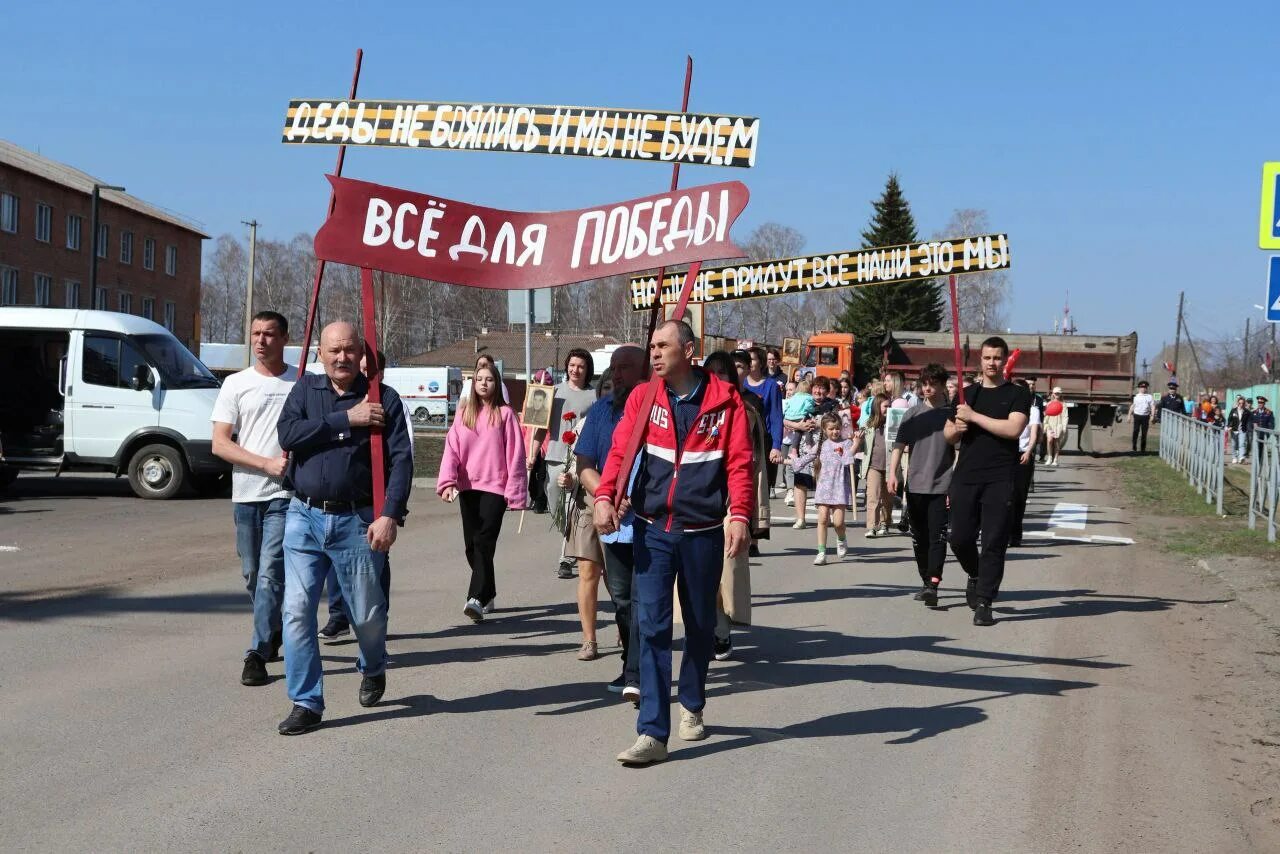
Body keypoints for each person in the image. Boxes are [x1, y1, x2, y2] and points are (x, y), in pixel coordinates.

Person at [594, 320, 753, 766]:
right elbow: (621, 452)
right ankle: (651, 733)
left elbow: (740, 463)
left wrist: (739, 514)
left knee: (701, 625)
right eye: (652, 347)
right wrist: (607, 496)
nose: (655, 354)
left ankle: (695, 701)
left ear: (689, 350)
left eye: (663, 346)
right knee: (653, 627)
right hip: (652, 529)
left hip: (702, 532)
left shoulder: (726, 401)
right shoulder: (645, 397)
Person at [274, 322, 414, 735]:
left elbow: (402, 462)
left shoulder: (382, 399)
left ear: (362, 354)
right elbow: (288, 434)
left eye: (350, 350)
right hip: (304, 517)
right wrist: (345, 420)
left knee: (367, 616)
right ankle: (306, 701)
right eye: (334, 350)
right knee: (297, 611)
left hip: (359, 521)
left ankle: (373, 665)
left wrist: (389, 515)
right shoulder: (305, 390)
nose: (342, 358)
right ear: (320, 353)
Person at [211, 310, 296, 687]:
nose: (261, 341)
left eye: (269, 334)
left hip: (285, 495)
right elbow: (219, 443)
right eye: (255, 334)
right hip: (246, 494)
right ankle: (272, 627)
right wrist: (265, 463)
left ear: (284, 338)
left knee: (269, 574)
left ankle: (257, 652)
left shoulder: (302, 382)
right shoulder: (235, 384)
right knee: (251, 573)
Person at [574, 346, 647, 702]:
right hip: (613, 523)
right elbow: (584, 462)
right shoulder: (601, 411)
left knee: (643, 598)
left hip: (649, 520)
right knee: (621, 599)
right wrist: (607, 495)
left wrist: (630, 495)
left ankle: (640, 670)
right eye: (613, 368)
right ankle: (630, 664)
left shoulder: (656, 411)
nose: (616, 374)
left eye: (625, 368)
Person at [944, 336, 1031, 627]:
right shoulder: (966, 394)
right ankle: (976, 573)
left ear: (1005, 360)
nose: (992, 363)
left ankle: (984, 602)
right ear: (979, 361)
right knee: (959, 538)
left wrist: (974, 417)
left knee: (994, 541)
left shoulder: (1017, 394)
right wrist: (957, 427)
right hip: (966, 475)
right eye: (987, 358)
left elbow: (1013, 429)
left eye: (997, 358)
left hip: (1000, 476)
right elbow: (948, 435)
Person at [437, 363, 528, 622]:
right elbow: (452, 448)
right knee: (471, 546)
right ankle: (488, 592)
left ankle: (475, 598)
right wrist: (447, 482)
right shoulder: (464, 412)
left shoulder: (506, 414)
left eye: (489, 379)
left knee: (484, 542)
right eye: (479, 379)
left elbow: (515, 455)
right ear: (473, 384)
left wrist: (516, 491)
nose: (484, 383)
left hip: (495, 488)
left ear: (497, 383)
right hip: (468, 487)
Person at [705, 351, 767, 660]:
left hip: (729, 504)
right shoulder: (695, 408)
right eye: (711, 372)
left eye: (723, 372)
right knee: (701, 578)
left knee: (724, 572)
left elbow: (751, 462)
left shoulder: (746, 410)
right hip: (698, 503)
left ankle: (721, 628)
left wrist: (744, 511)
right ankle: (714, 628)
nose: (718, 378)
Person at [887, 363, 955, 605]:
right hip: (915, 484)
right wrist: (892, 473)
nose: (928, 388)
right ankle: (926, 580)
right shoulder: (912, 415)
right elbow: (899, 446)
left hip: (941, 484)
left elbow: (958, 450)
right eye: (924, 384)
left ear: (942, 385)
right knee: (919, 538)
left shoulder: (951, 415)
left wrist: (954, 483)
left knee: (937, 536)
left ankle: (933, 584)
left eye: (933, 384)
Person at [530, 350, 596, 579]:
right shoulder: (554, 392)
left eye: (581, 366)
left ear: (587, 370)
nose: (575, 370)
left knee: (570, 506)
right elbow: (539, 427)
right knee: (555, 503)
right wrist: (532, 454)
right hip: (555, 456)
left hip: (579, 459)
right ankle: (570, 539)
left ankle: (565, 559)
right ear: (567, 366)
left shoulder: (593, 396)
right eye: (572, 365)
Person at [560, 370, 611, 661]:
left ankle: (625, 623)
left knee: (616, 577)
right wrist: (569, 478)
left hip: (621, 505)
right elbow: (575, 464)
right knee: (588, 572)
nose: (608, 391)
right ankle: (589, 639)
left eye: (614, 386)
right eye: (604, 387)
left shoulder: (631, 420)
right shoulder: (584, 424)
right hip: (586, 504)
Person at [792, 413, 856, 564]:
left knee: (838, 523)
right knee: (822, 519)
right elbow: (806, 458)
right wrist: (790, 461)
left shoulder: (846, 443)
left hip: (839, 487)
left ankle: (841, 539)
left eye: (837, 428)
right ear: (825, 429)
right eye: (831, 429)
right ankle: (821, 552)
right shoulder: (821, 445)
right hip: (824, 488)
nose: (835, 432)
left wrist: (855, 444)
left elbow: (847, 461)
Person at [787, 376, 836, 530]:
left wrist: (819, 422)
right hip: (802, 448)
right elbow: (786, 419)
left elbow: (838, 423)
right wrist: (799, 425)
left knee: (824, 483)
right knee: (800, 482)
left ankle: (825, 517)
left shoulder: (833, 405)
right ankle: (801, 518)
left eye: (822, 388)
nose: (818, 391)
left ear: (827, 391)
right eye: (816, 387)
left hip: (825, 449)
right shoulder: (802, 401)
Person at [742, 346, 785, 497]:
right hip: (741, 441)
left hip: (762, 442)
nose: (748, 362)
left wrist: (776, 446)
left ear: (761, 363)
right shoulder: (739, 384)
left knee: (760, 489)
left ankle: (760, 520)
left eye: (752, 359)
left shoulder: (771, 386)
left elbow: (776, 417)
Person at [1009, 378, 1042, 546]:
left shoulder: (1033, 410)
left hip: (1023, 454)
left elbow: (1034, 434)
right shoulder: (1006, 406)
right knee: (1005, 496)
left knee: (1019, 496)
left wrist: (1029, 451)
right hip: (1006, 455)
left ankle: (1015, 535)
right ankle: (1003, 532)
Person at [860, 394, 892, 537]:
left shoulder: (893, 424)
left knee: (887, 497)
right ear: (877, 407)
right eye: (885, 406)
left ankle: (885, 523)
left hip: (890, 465)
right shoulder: (869, 424)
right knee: (873, 496)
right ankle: (872, 526)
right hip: (873, 465)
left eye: (890, 406)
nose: (888, 409)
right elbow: (862, 444)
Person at [1043, 387, 1068, 466]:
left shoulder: (1063, 404)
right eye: (1056, 393)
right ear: (1053, 394)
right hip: (1050, 425)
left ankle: (1055, 459)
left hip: (1059, 425)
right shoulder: (1049, 404)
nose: (1057, 394)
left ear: (1060, 394)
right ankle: (1049, 457)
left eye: (1058, 393)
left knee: (1057, 442)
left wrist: (1064, 427)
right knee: (1049, 440)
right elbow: (1046, 415)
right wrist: (1045, 425)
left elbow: (1065, 416)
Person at [1131, 380, 1154, 454]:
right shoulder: (1136, 396)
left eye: (1144, 387)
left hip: (1145, 417)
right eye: (1141, 387)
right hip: (1137, 416)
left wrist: (1152, 416)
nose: (1143, 389)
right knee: (1135, 431)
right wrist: (1129, 415)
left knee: (1144, 433)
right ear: (1139, 388)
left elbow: (1152, 406)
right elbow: (1133, 406)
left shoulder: (1149, 397)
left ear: (1146, 388)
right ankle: (1134, 446)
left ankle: (1143, 449)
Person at [1227, 395, 1251, 463]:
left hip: (1242, 429)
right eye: (1240, 403)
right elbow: (1229, 419)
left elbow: (1250, 420)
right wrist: (1229, 426)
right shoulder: (1233, 410)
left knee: (1242, 444)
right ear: (1238, 403)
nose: (1241, 405)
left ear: (1244, 403)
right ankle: (1234, 457)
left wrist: (1249, 427)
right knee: (1234, 444)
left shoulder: (1247, 411)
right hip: (1234, 429)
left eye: (1243, 403)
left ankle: (1241, 458)